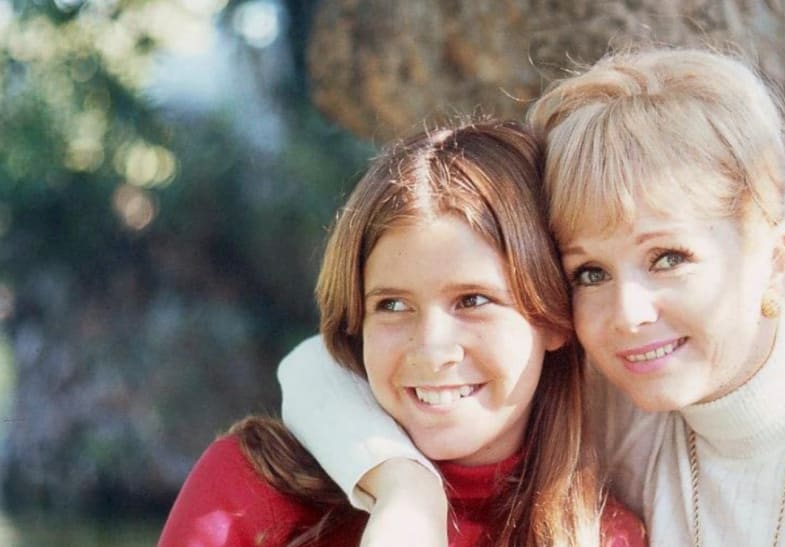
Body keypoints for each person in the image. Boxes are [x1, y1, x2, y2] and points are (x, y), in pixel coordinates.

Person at [277, 48, 785, 546]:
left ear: (772, 258)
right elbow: (317, 368)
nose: (627, 313)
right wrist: (407, 492)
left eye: (668, 258)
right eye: (589, 273)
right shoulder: (621, 398)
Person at [158, 119, 646, 547]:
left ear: (552, 319)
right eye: (392, 305)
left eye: (473, 300)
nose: (430, 349)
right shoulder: (250, 488)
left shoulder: (599, 535)